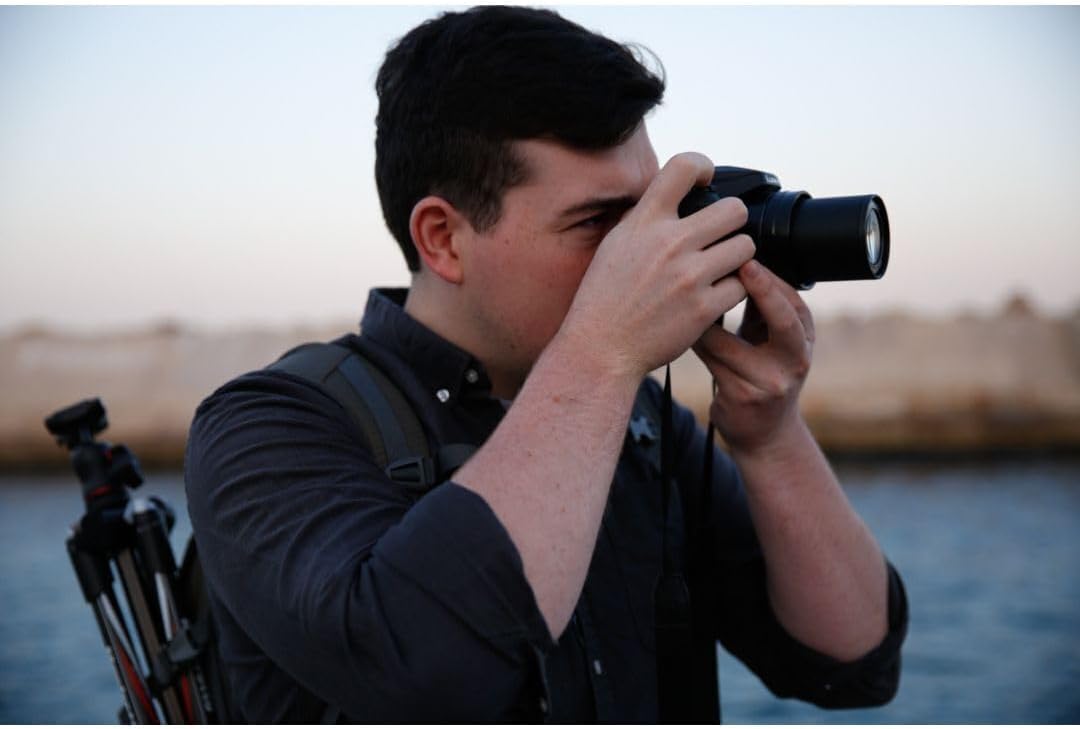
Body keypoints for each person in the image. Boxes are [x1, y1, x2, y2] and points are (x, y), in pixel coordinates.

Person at [185, 5, 907, 723]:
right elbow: (423, 669)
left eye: (651, 214)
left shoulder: (642, 424)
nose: (645, 253)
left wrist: (770, 435)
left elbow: (852, 665)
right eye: (598, 223)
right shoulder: (267, 428)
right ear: (443, 239)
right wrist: (601, 353)